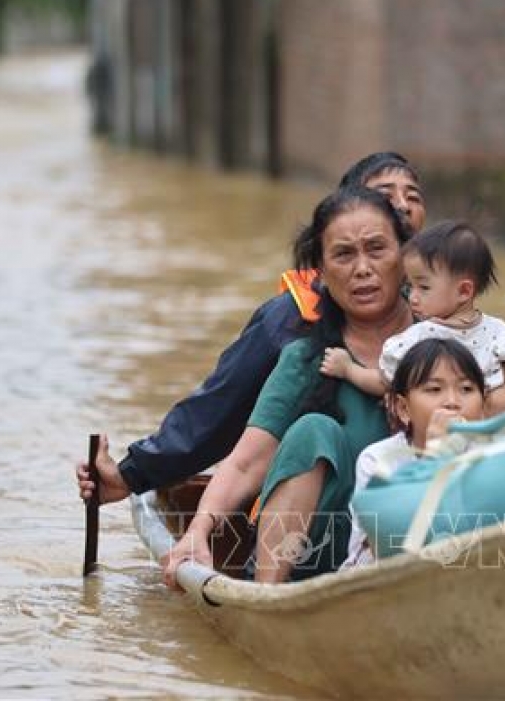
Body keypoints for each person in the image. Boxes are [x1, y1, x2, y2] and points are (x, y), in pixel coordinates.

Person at [76, 153, 435, 506]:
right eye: (386, 197)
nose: (402, 207)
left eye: (412, 197)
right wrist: (131, 474)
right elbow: (218, 411)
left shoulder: (444, 318)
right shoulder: (293, 323)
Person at [161, 185, 420, 585]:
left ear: (405, 256)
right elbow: (246, 463)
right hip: (323, 559)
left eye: (377, 249)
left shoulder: (443, 343)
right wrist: (197, 531)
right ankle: (269, 596)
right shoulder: (307, 358)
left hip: (421, 542)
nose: (362, 269)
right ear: (320, 268)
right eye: (343, 254)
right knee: (314, 430)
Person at [320, 220, 505, 399]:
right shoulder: (500, 333)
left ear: (464, 292)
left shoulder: (419, 339)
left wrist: (348, 369)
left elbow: (383, 382)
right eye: (410, 286)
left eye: (423, 287)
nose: (412, 297)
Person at [342, 337, 488, 568]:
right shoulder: (379, 461)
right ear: (403, 409)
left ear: (483, 407)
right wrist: (436, 457)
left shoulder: (493, 457)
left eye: (466, 389)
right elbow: (387, 545)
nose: (452, 402)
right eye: (434, 389)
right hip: (386, 580)